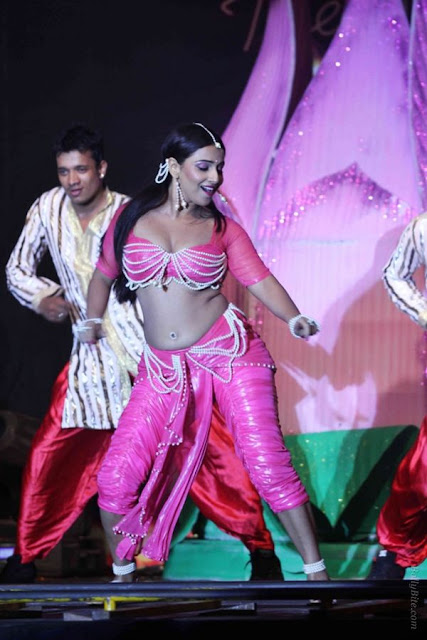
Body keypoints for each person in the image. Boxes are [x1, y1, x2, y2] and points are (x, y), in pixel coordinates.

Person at [3, 123, 285, 583]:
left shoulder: (132, 212)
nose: (72, 180)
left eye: (81, 170)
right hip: (91, 365)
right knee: (51, 456)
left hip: (151, 356)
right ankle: (26, 557)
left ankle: (261, 548)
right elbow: (17, 268)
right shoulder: (46, 208)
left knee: (209, 451)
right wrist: (43, 297)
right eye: (64, 171)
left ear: (101, 169)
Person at [79, 121, 329, 582]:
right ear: (174, 167)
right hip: (163, 369)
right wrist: (92, 320)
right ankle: (123, 581)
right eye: (204, 167)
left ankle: (317, 576)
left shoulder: (221, 228)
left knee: (267, 464)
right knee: (114, 478)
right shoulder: (130, 219)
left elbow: (259, 278)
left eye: (219, 168)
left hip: (230, 352)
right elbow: (102, 273)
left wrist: (293, 316)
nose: (215, 178)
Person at [368, 214, 427, 579]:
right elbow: (396, 274)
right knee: (424, 469)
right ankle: (395, 551)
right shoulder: (424, 228)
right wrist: (423, 312)